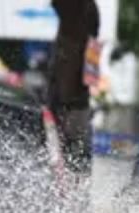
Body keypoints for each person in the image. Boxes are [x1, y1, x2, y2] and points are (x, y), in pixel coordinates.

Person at [48, 0, 100, 183]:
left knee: (75, 161)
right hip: (65, 106)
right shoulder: (67, 41)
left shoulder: (80, 45)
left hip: (72, 108)